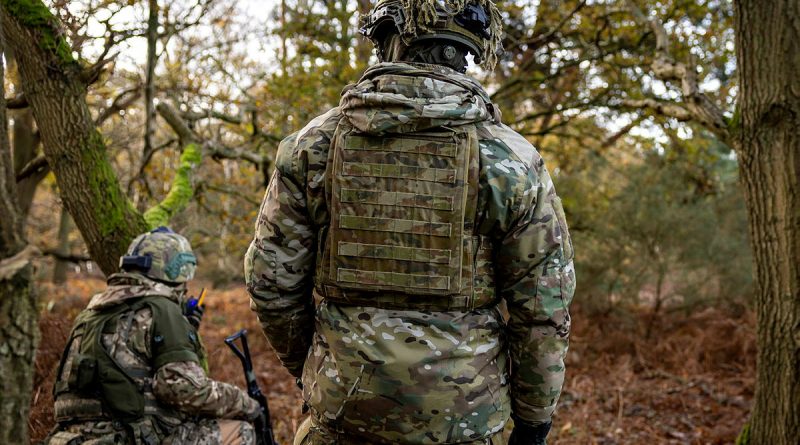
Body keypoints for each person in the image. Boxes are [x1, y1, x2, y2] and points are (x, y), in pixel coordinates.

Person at [244, 0, 576, 443]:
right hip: (466, 421)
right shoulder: (512, 160)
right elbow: (543, 308)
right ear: (469, 53)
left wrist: (318, 370)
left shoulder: (313, 146)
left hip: (342, 410)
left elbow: (270, 283)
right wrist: (534, 420)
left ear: (386, 43)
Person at [46, 227, 261, 445]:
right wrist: (245, 402)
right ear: (175, 271)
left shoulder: (90, 314)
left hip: (73, 439)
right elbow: (182, 388)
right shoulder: (162, 310)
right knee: (240, 431)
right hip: (129, 438)